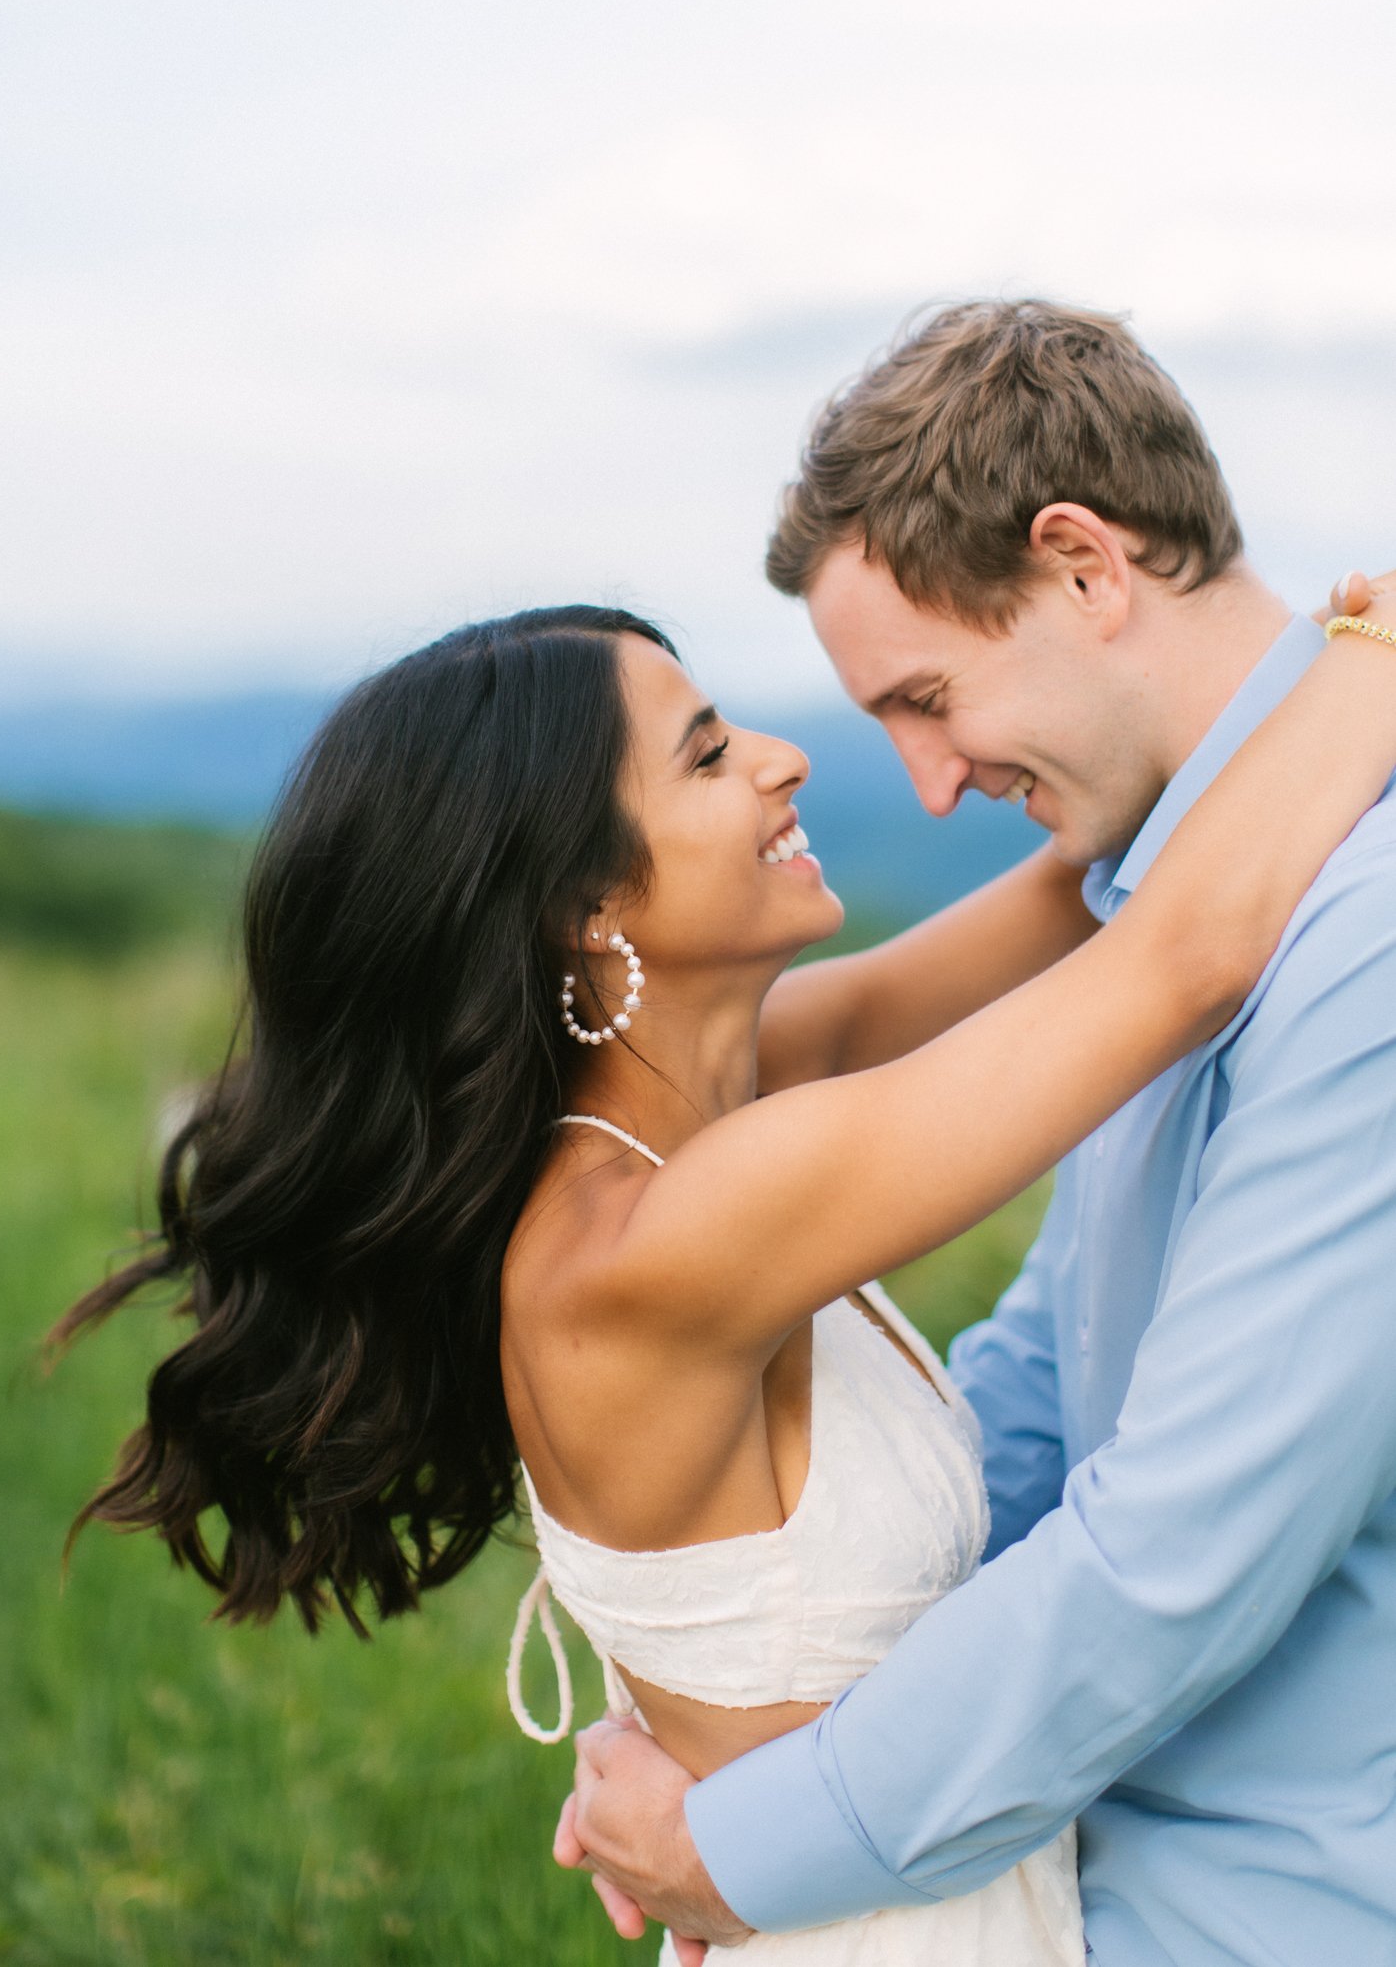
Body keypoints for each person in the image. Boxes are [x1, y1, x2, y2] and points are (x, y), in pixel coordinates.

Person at [556, 303, 1396, 1967]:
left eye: (929, 695)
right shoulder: (1174, 894)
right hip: (1096, 1861)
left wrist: (754, 1831)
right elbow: (1063, 1365)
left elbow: (1177, 1548)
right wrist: (756, 1717)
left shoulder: (1353, 924)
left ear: (1085, 566)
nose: (924, 785)